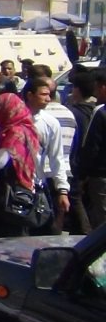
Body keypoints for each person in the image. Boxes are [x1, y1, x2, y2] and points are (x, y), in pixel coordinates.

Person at [0, 94, 41, 238]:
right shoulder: (28, 129)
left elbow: (0, 162)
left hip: (10, 193)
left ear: (7, 110)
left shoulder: (14, 132)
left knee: (6, 236)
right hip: (25, 189)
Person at [24, 77, 71, 235]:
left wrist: (62, 190)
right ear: (30, 95)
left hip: (38, 187)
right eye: (43, 94)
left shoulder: (50, 123)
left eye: (49, 95)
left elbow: (57, 158)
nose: (48, 99)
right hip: (11, 188)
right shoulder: (13, 119)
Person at [65, 71, 97, 234]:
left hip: (78, 162)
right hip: (93, 164)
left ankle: (85, 232)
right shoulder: (95, 109)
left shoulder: (73, 112)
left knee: (75, 197)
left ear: (77, 90)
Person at [78, 69, 106, 230]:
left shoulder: (100, 112)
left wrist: (83, 176)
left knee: (102, 217)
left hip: (101, 175)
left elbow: (91, 147)